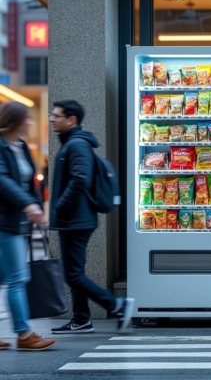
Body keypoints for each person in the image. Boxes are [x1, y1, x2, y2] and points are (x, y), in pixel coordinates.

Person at [49, 100, 134, 334]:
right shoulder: (73, 143)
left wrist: (59, 207)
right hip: (75, 219)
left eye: (56, 115)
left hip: (76, 219)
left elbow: (80, 180)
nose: (52, 119)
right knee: (75, 272)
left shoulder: (76, 145)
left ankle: (117, 304)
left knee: (73, 274)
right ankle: (81, 318)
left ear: (72, 119)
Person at [0, 101, 56, 351]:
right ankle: (24, 335)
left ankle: (23, 333)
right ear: (16, 121)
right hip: (4, 222)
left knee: (6, 277)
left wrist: (36, 205)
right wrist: (28, 205)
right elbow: (3, 180)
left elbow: (29, 183)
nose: (31, 123)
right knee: (17, 278)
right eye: (27, 119)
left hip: (18, 221)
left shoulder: (20, 146)